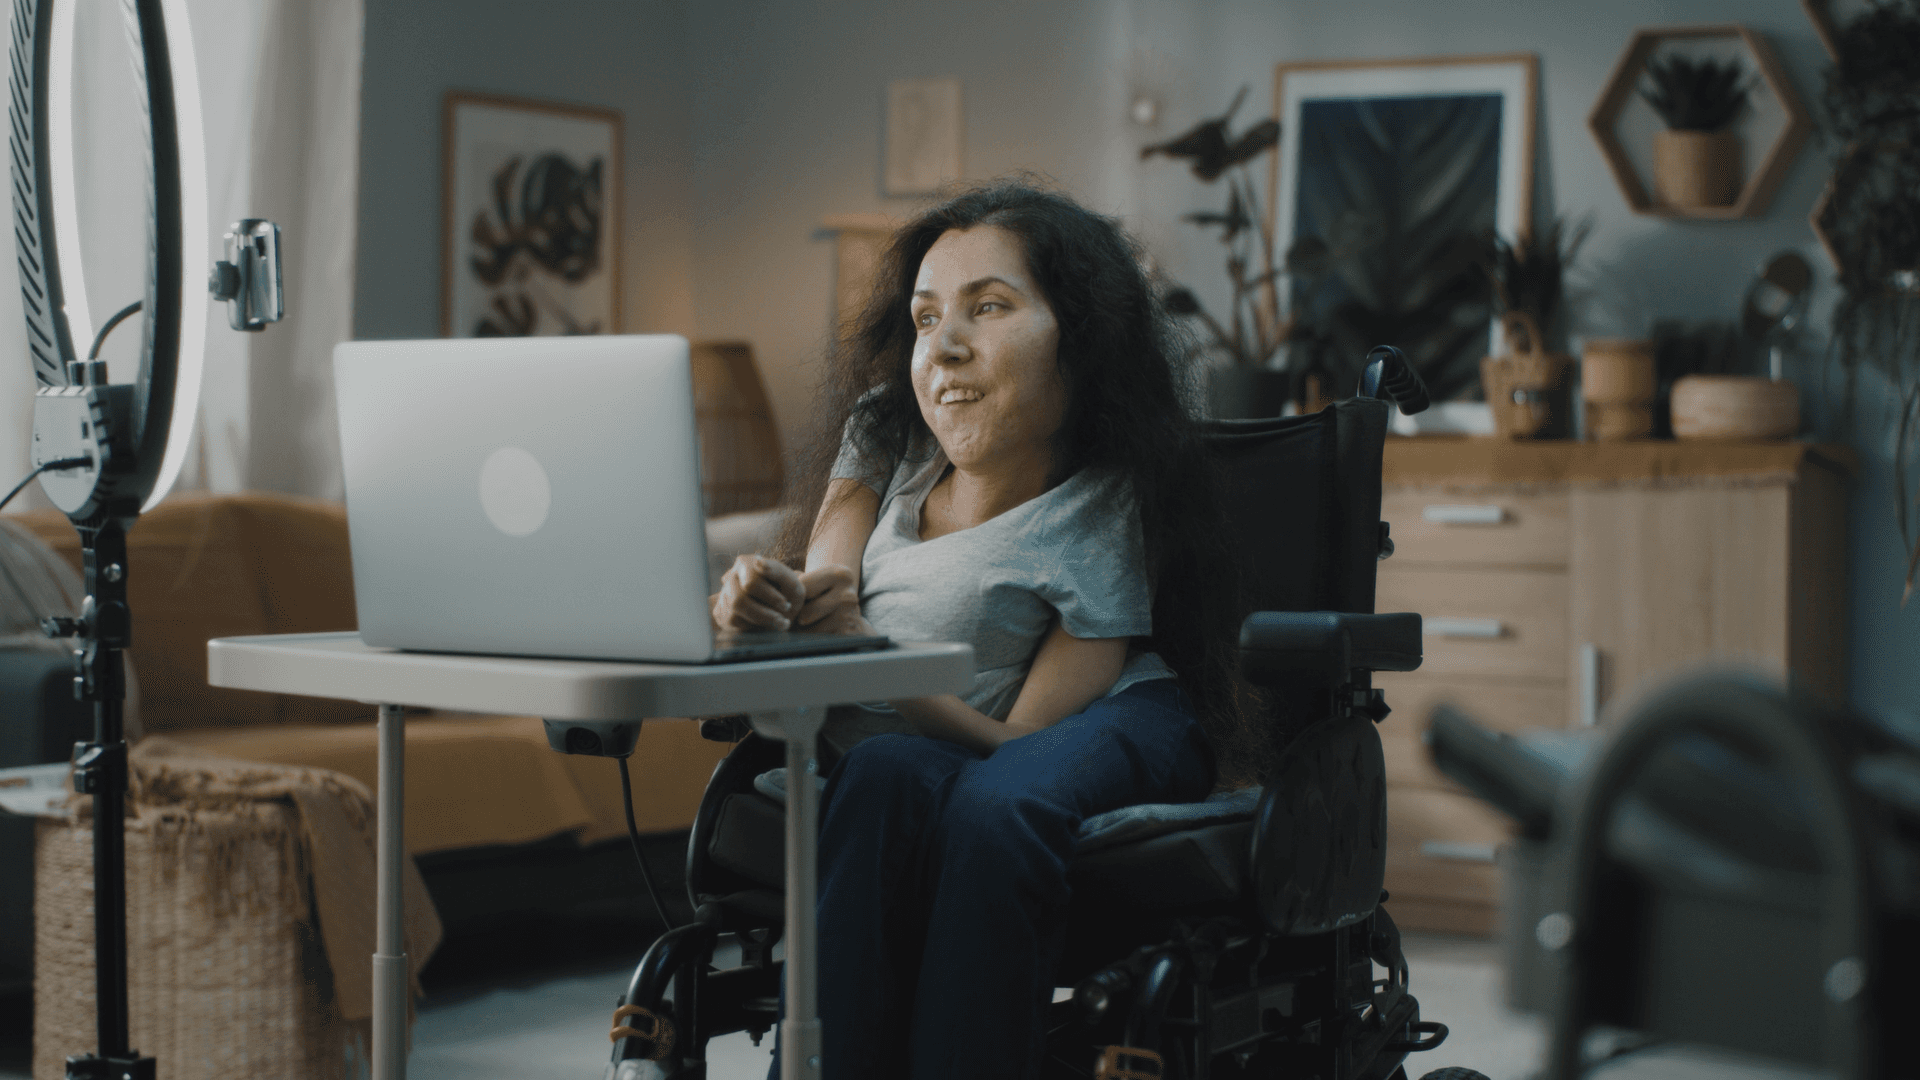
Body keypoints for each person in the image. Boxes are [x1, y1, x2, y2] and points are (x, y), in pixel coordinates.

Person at [712, 179, 1250, 1080]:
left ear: (1081, 339)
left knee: (997, 809)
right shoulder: (886, 431)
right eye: (925, 319)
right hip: (932, 730)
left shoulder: (1101, 500)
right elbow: (828, 583)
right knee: (880, 772)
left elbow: (1021, 742)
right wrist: (763, 606)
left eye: (989, 307)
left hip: (1104, 716)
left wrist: (872, 662)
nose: (945, 347)